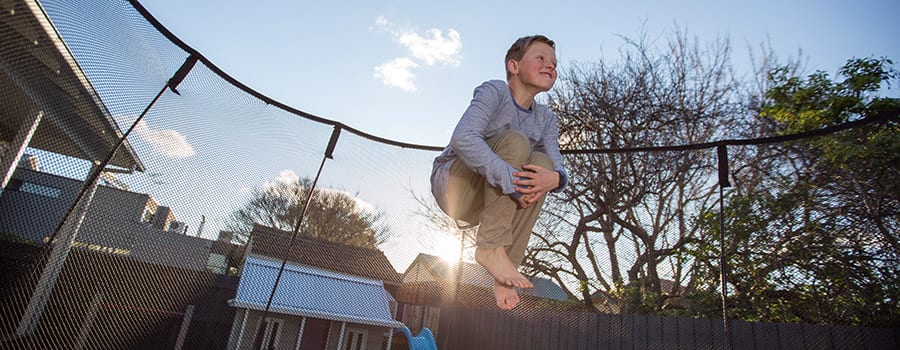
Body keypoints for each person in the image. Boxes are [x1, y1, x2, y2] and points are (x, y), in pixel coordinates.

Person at [431, 35, 568, 309]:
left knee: (542, 164)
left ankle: (506, 264)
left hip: (489, 201)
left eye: (554, 63)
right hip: (455, 186)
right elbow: (464, 138)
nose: (550, 66)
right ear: (514, 66)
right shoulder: (495, 91)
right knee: (515, 142)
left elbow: (557, 164)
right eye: (540, 58)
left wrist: (554, 179)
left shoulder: (546, 118)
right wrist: (513, 182)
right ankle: (490, 247)